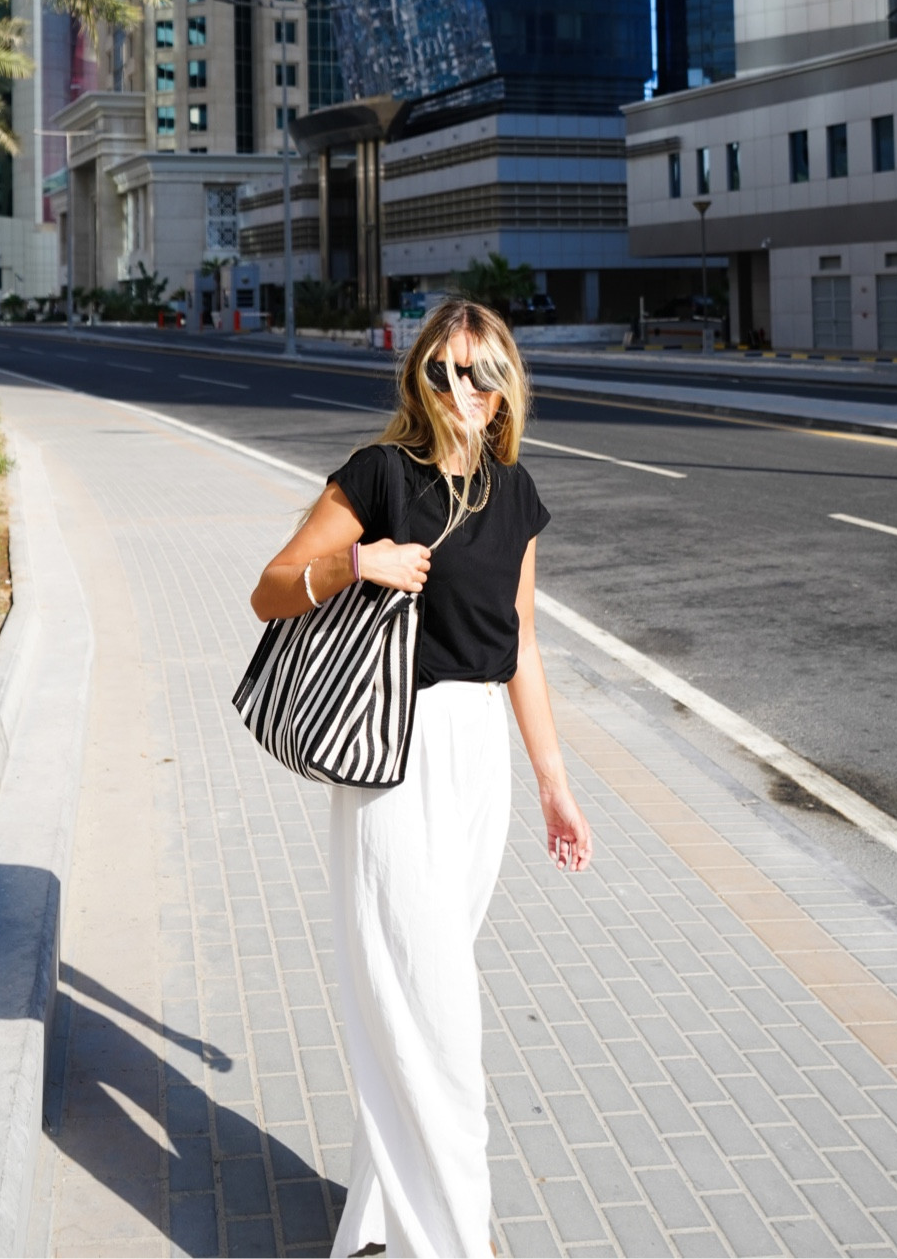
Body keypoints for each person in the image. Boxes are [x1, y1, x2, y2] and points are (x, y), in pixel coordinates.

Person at [251, 298, 593, 1259]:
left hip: (477, 757)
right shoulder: (377, 475)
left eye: (482, 374)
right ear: (418, 377)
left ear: (505, 390)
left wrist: (553, 782)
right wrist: (354, 562)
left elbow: (520, 638)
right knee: (435, 1012)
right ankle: (452, 1245)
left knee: (415, 995)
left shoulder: (514, 494)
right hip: (391, 756)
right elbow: (269, 587)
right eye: (444, 370)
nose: (462, 391)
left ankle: (374, 1217)